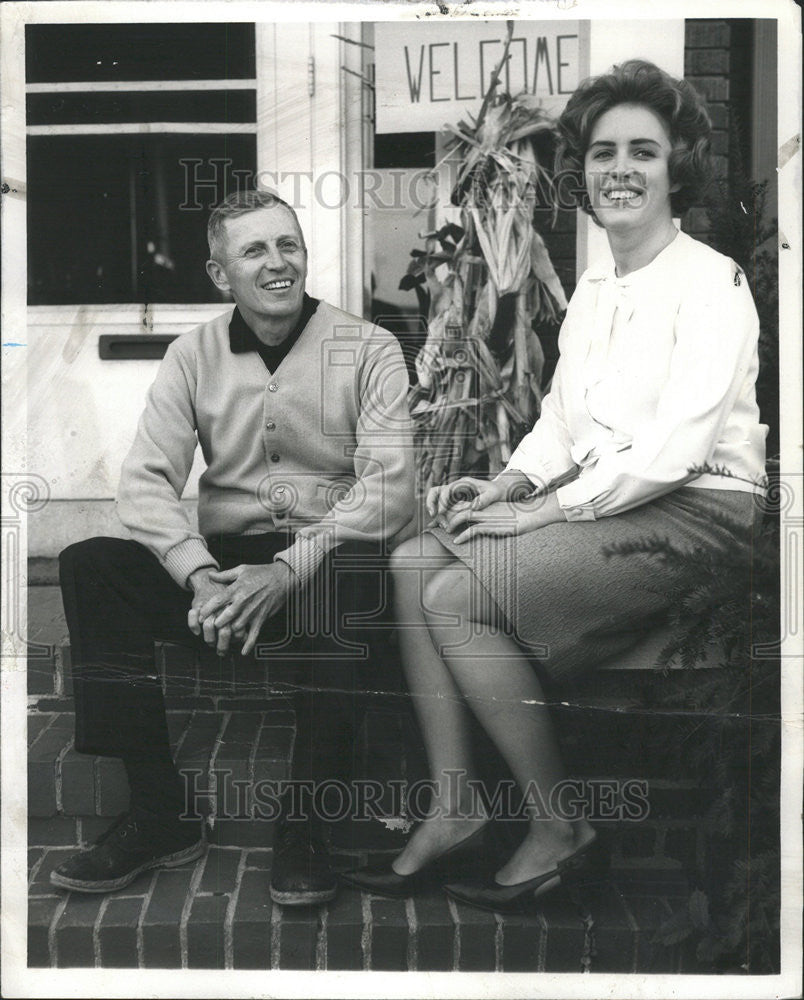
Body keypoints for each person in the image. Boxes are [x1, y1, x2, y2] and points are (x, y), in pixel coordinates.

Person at [341, 59, 768, 911]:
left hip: (702, 514)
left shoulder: (711, 282)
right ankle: (456, 805)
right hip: (619, 501)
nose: (620, 169)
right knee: (412, 564)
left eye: (642, 151)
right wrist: (506, 485)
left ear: (676, 165)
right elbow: (565, 426)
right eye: (603, 151)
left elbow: (672, 454)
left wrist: (543, 515)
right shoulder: (597, 286)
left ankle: (557, 827)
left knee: (457, 596)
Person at [52, 189, 415, 905]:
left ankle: (304, 827)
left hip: (321, 569)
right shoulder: (193, 355)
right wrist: (198, 577)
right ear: (221, 276)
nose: (278, 263)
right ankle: (160, 815)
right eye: (255, 251)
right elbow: (145, 486)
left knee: (357, 573)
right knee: (90, 565)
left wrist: (287, 568)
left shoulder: (368, 346)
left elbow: (389, 490)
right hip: (223, 582)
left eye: (289, 245)